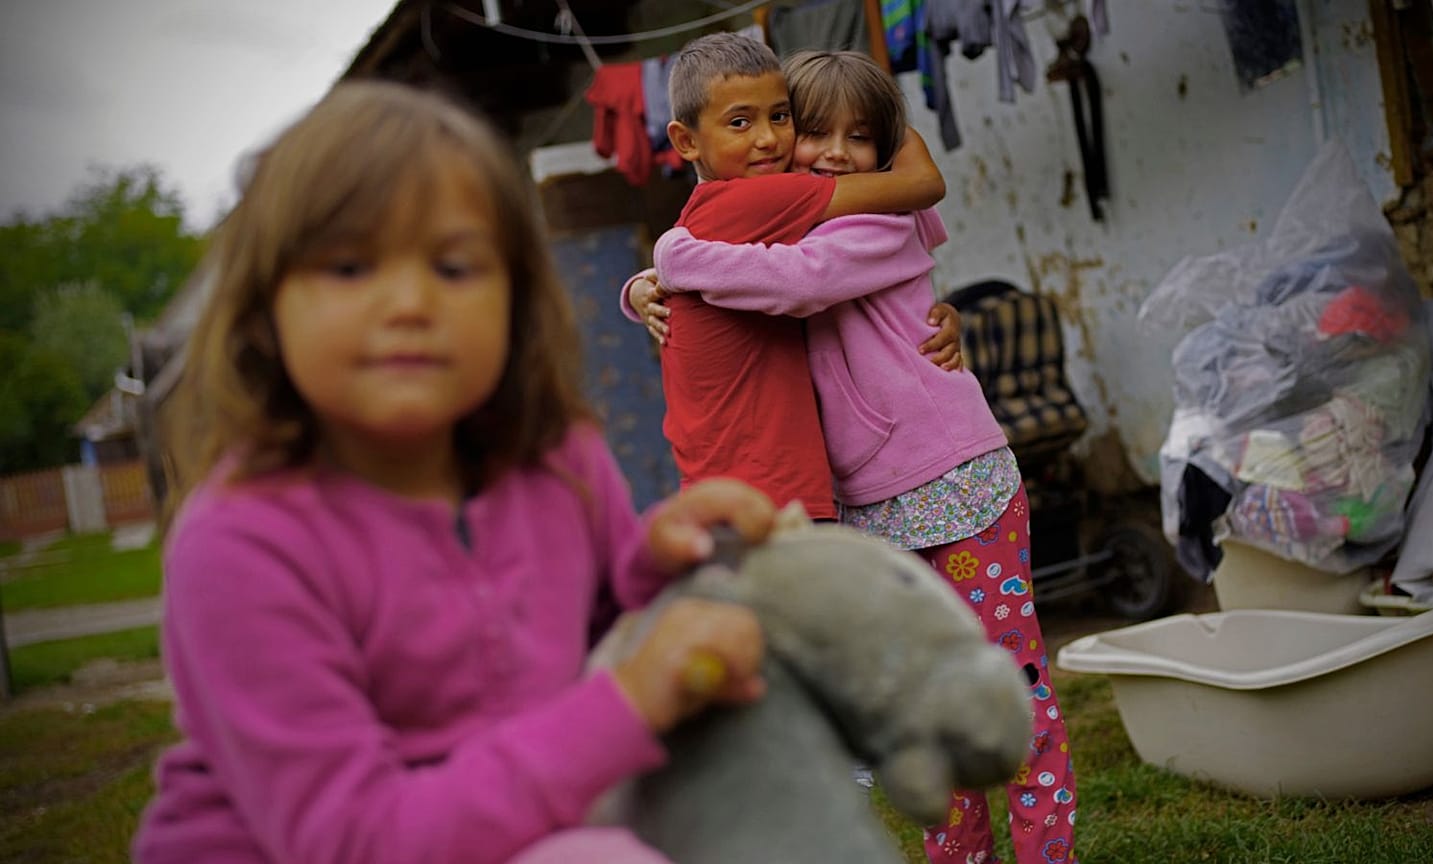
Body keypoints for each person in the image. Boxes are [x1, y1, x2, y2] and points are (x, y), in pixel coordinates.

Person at [132, 80, 781, 864]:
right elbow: (354, 841)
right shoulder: (241, 545)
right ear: (266, 310)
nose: (408, 302)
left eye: (453, 266)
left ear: (516, 300)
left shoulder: (558, 464)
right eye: (347, 267)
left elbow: (605, 625)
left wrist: (658, 561)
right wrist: (629, 705)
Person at [636, 50, 1078, 864]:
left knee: (1014, 690)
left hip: (957, 479)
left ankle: (1049, 852)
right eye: (814, 133)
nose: (833, 152)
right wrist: (645, 288)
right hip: (873, 501)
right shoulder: (783, 210)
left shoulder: (878, 222)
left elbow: (800, 282)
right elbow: (743, 255)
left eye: (861, 137)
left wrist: (674, 260)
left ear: (887, 146)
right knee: (915, 708)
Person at [627, 32, 961, 525]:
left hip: (719, 487)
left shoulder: (715, 219)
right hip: (773, 488)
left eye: (781, 118)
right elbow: (922, 186)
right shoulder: (768, 196)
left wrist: (641, 283)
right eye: (740, 122)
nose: (767, 139)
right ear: (685, 141)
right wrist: (885, 120)